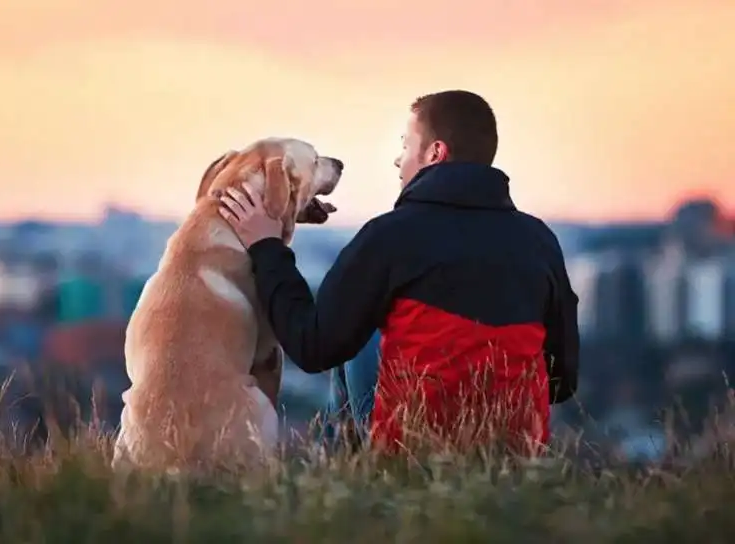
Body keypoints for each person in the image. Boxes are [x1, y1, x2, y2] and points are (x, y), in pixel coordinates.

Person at [218, 89, 580, 455]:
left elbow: (311, 347)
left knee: (353, 337)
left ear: (435, 154)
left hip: (413, 449)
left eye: (406, 145)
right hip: (514, 452)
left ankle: (346, 485)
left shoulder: (389, 236)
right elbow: (562, 380)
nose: (397, 160)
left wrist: (267, 248)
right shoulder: (540, 242)